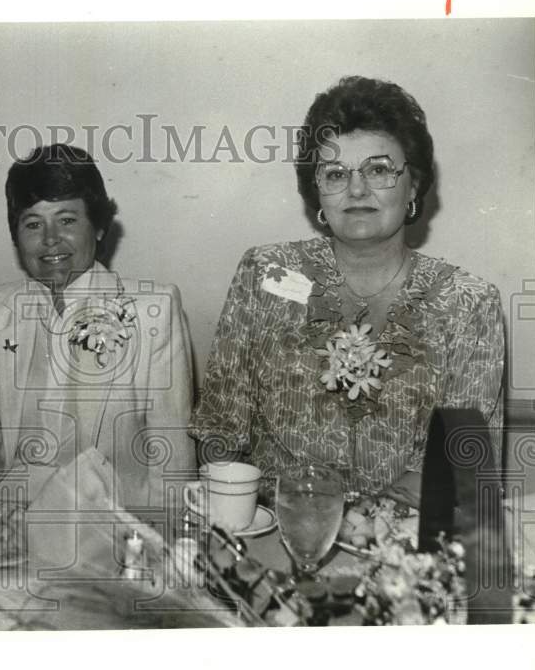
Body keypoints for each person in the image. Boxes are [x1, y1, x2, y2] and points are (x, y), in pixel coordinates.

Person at [190, 76, 504, 516]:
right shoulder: (266, 275)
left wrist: (356, 530)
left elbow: (459, 468)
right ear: (316, 191)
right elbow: (219, 432)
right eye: (336, 174)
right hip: (271, 539)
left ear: (412, 185)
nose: (357, 190)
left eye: (378, 170)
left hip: (399, 551)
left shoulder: (468, 304)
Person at [0, 144, 195, 514]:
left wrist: (160, 551)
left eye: (67, 220)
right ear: (16, 236)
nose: (50, 239)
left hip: (109, 534)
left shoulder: (153, 311)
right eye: (33, 223)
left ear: (99, 227)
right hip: (2, 527)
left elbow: (173, 466)